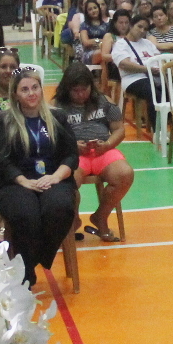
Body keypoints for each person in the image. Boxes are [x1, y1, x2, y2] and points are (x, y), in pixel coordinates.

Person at [0, 68, 80, 286]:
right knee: (26, 214)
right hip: (17, 182)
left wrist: (56, 177)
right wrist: (22, 180)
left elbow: (71, 155)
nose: (31, 93)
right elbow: (1, 160)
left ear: (41, 89)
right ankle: (27, 272)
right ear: (16, 95)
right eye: (25, 89)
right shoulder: (6, 120)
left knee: (58, 207)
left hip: (53, 178)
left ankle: (34, 259)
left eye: (35, 87)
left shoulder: (57, 116)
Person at [58, 61, 130, 243]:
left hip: (102, 151)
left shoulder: (104, 101)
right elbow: (51, 135)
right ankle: (72, 221)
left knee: (125, 174)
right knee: (68, 183)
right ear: (67, 89)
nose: (80, 94)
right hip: (73, 153)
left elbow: (119, 129)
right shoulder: (56, 106)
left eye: (85, 89)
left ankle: (100, 216)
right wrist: (72, 145)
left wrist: (107, 144)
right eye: (75, 90)